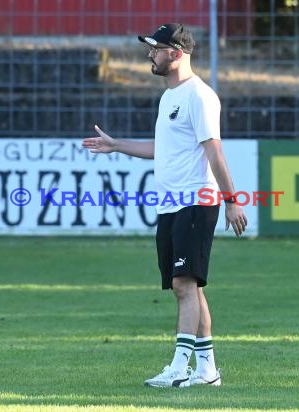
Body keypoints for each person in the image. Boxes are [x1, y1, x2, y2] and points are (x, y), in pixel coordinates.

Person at [82, 23, 247, 388]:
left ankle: (179, 364)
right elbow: (163, 150)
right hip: (172, 204)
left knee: (184, 284)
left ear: (176, 53)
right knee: (189, 288)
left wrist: (232, 201)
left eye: (156, 49)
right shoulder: (169, 96)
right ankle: (206, 371)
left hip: (196, 200)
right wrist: (116, 145)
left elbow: (214, 152)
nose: (149, 55)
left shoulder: (199, 96)